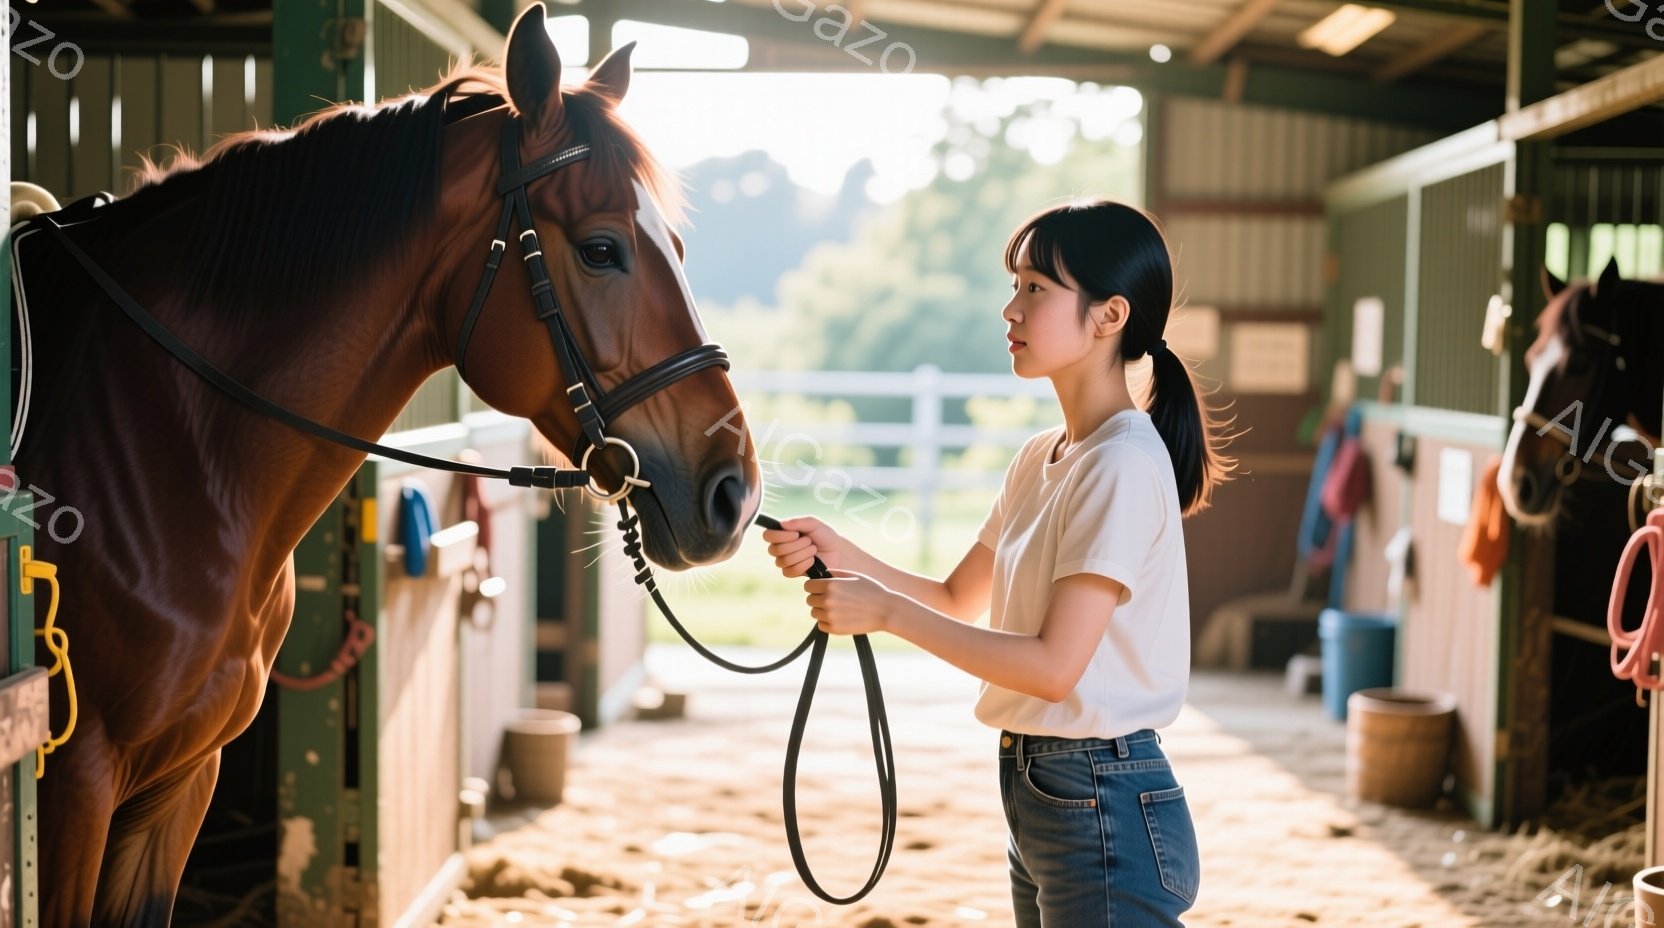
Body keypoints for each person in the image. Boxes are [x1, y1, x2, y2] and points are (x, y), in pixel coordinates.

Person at [762, 199, 1236, 926]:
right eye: (1015, 286)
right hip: (1045, 783)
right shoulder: (1041, 457)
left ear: (1110, 316)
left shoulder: (1119, 465)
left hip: (1098, 790)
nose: (1010, 310)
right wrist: (841, 553)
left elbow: (1052, 667)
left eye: (1036, 289)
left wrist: (884, 613)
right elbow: (957, 596)